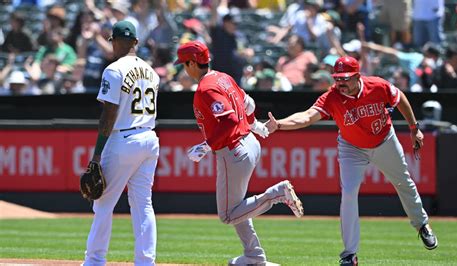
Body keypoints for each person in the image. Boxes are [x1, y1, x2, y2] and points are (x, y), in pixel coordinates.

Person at [265, 56, 438, 266]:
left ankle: (422, 225)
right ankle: (349, 254)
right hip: (351, 147)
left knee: (403, 182)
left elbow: (399, 97)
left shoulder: (377, 85)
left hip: (384, 141)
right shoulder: (332, 96)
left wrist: (413, 128)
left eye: (345, 78)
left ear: (357, 76)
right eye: (337, 78)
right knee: (348, 193)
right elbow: (308, 116)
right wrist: (280, 124)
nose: (340, 83)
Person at [174, 40, 304, 266]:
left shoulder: (206, 88)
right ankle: (254, 256)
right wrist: (260, 128)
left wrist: (205, 147)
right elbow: (249, 105)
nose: (184, 69)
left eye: (185, 64)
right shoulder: (224, 77)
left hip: (233, 150)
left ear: (193, 63)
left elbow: (230, 121)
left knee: (228, 214)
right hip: (249, 143)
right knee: (239, 207)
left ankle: (276, 194)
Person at [82, 21, 160, 266]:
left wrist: (96, 155)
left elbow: (109, 114)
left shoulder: (114, 70)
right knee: (143, 204)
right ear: (136, 42)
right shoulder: (152, 72)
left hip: (123, 139)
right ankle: (146, 262)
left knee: (103, 204)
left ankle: (95, 261)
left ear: (113, 41)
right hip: (149, 138)